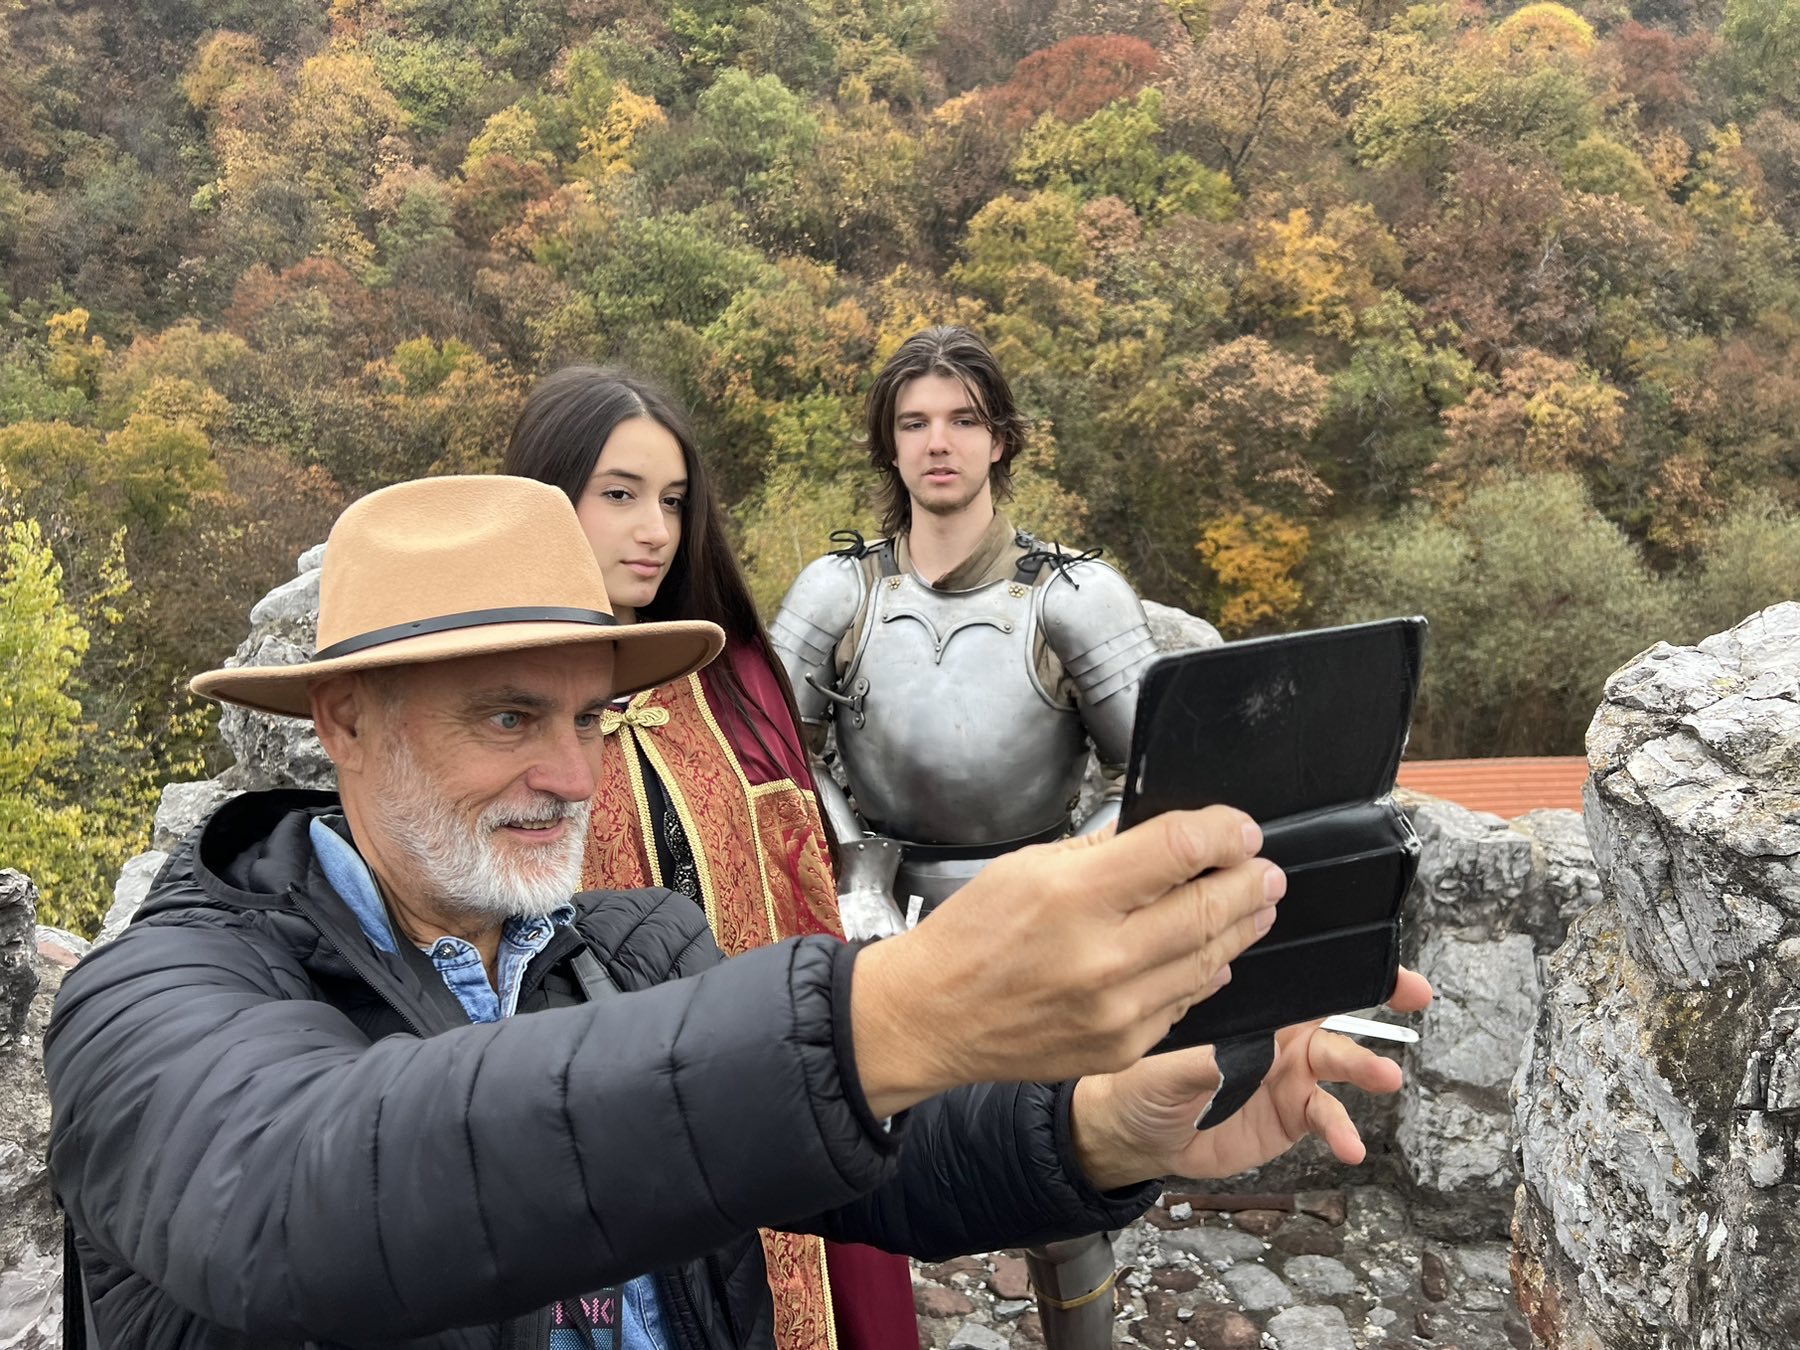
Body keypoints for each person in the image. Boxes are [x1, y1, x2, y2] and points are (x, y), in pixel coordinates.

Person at [45, 474, 1431, 1350]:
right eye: (509, 716)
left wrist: (1098, 1124)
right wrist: (885, 1008)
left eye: (591, 718)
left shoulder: (635, 949)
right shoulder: (156, 996)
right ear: (341, 720)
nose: (569, 774)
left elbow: (861, 1160)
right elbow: (310, 1192)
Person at [502, 367, 917, 1350]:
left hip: (785, 1110)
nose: (655, 529)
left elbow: (806, 885)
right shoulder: (494, 709)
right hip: (598, 1147)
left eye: (674, 502)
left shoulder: (733, 676)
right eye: (620, 494)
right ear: (545, 497)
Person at [770, 325, 1159, 1344]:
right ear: (889, 448)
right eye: (914, 423)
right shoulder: (838, 593)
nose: (938, 442)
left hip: (1043, 918)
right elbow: (772, 754)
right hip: (875, 921)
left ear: (1000, 440)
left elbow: (1155, 771)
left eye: (962, 420)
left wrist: (1066, 876)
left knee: (1062, 1186)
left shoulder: (1077, 598)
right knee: (847, 1172)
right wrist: (857, 874)